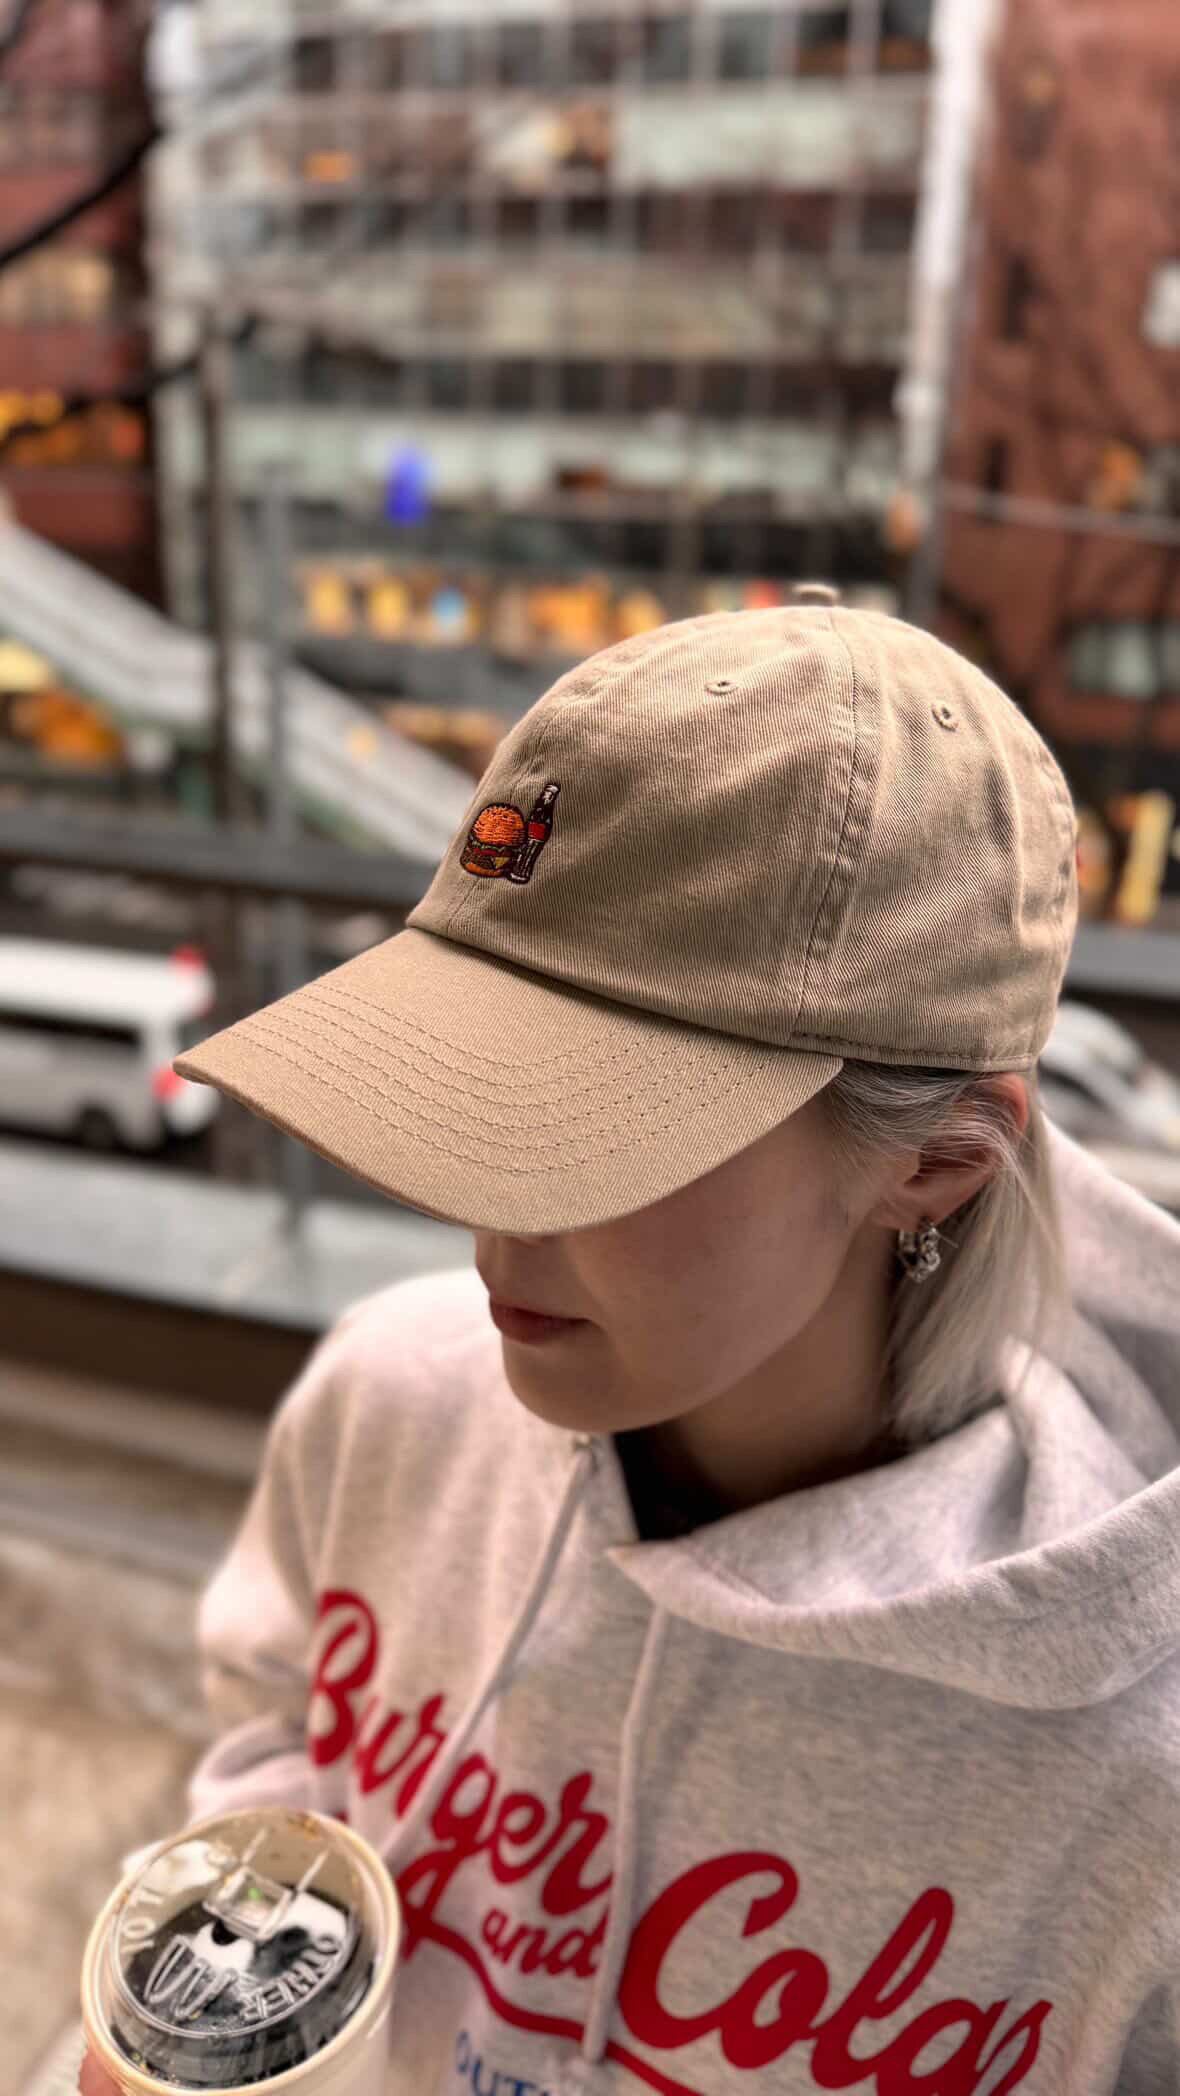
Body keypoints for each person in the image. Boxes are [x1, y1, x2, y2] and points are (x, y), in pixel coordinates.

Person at [81, 594, 1180, 2095]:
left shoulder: (1138, 1774)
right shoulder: (385, 1400)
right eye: (469, 1083)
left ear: (938, 1159)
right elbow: (277, 1726)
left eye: (602, 1135)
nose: (491, 1214)